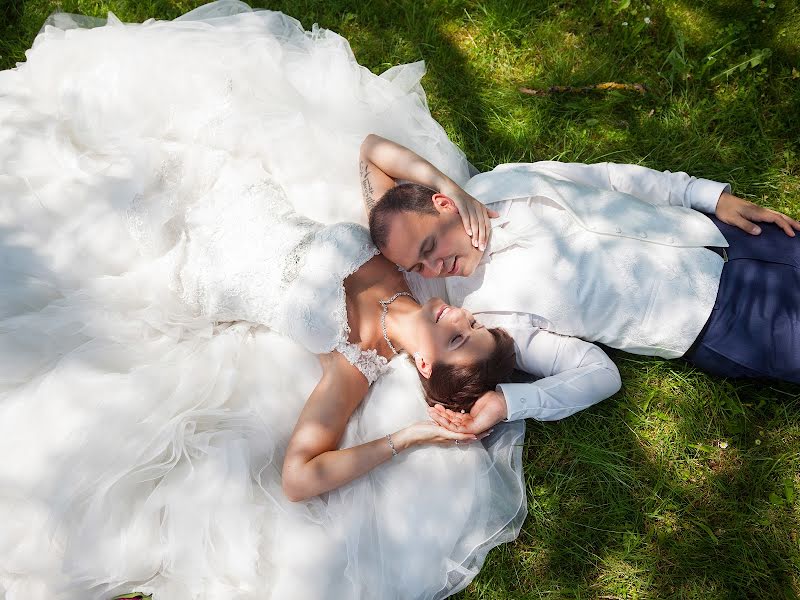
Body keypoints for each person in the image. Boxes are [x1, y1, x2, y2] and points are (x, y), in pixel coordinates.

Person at [0, 2, 616, 598]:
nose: (456, 312)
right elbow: (374, 149)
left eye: (455, 336)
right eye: (469, 321)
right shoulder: (403, 270)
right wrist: (445, 184)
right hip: (222, 189)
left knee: (55, 212)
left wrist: (403, 440)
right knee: (102, 125)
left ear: (424, 367)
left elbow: (299, 479)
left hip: (180, 259)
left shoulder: (356, 363)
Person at [360, 134, 800, 436]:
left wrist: (708, 196)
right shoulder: (488, 315)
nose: (435, 267)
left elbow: (609, 178)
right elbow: (597, 373)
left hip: (716, 234)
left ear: (444, 204)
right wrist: (511, 403)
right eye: (420, 265)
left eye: (431, 244)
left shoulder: (496, 182)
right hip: (722, 320)